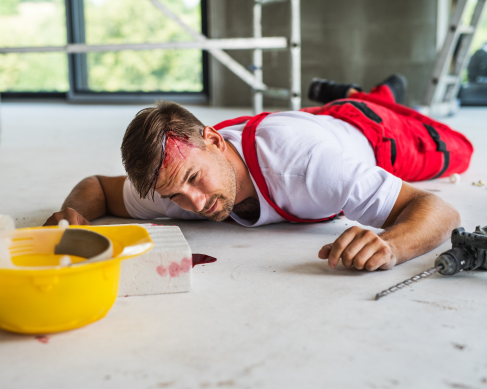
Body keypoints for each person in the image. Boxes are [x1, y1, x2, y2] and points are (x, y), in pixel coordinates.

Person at [44, 75, 473, 272]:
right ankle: (365, 90)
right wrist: (70, 213)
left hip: (369, 131)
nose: (194, 204)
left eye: (194, 180)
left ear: (213, 140)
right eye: (176, 196)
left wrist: (391, 245)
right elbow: (97, 186)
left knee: (456, 150)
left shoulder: (310, 167)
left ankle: (373, 96)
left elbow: (438, 210)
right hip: (300, 122)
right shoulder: (170, 180)